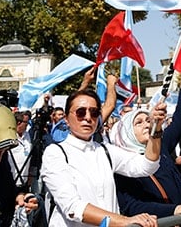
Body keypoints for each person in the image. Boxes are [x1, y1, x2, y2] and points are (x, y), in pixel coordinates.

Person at [40, 89, 166, 226]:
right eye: (80, 112)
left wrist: (156, 128)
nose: (88, 118)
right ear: (66, 119)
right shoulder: (55, 153)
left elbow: (147, 166)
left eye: (94, 113)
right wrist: (125, 220)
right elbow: (72, 207)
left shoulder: (104, 150)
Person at [114, 75, 181, 224]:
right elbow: (133, 206)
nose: (147, 125)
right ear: (126, 131)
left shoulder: (160, 146)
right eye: (139, 123)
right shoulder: (122, 163)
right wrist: (173, 210)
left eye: (148, 121)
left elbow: (179, 123)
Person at [9, 111, 34, 193]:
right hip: (11, 181)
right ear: (19, 122)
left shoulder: (27, 135)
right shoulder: (10, 135)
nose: (27, 125)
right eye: (26, 122)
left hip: (24, 182)